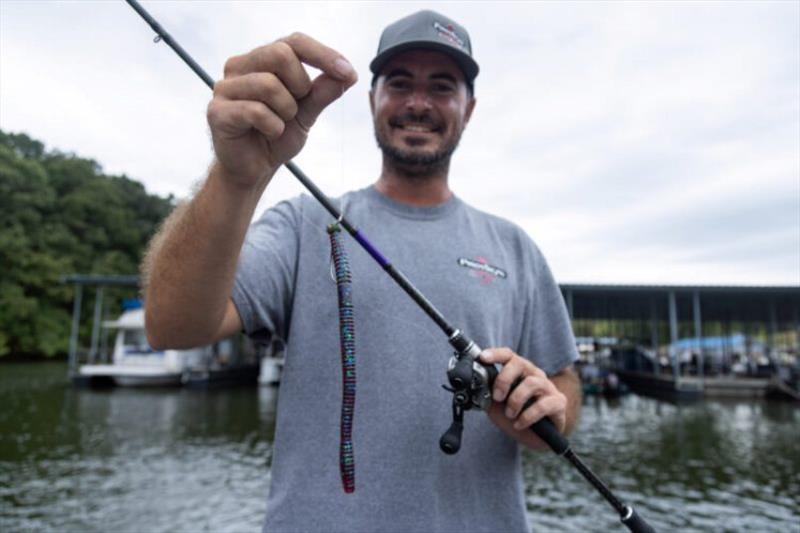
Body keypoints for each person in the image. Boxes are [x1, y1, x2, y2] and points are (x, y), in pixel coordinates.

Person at [142, 9, 581, 533]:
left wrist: (546, 413)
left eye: (442, 87)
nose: (418, 103)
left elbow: (564, 383)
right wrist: (236, 178)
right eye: (399, 84)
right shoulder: (304, 224)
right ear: (373, 98)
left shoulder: (515, 247)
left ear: (470, 109)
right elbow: (171, 325)